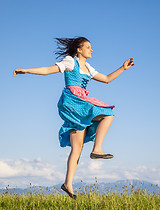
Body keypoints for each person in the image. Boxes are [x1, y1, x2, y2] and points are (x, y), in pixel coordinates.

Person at [13, 37, 134, 200]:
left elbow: (106, 79)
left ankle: (67, 184)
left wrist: (122, 68)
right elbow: (48, 70)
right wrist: (27, 70)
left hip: (80, 103)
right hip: (73, 101)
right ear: (79, 49)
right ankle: (97, 149)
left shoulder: (88, 67)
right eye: (88, 47)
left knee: (77, 148)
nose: (91, 50)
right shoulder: (70, 62)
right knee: (108, 113)